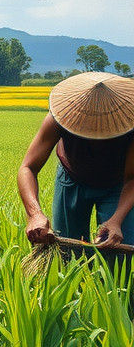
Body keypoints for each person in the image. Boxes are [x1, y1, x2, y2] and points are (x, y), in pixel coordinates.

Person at [18, 72, 134, 247]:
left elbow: (132, 178)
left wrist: (116, 220)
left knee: (118, 248)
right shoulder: (60, 117)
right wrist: (35, 214)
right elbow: (28, 168)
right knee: (67, 250)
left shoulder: (131, 123)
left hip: (117, 185)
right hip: (72, 177)